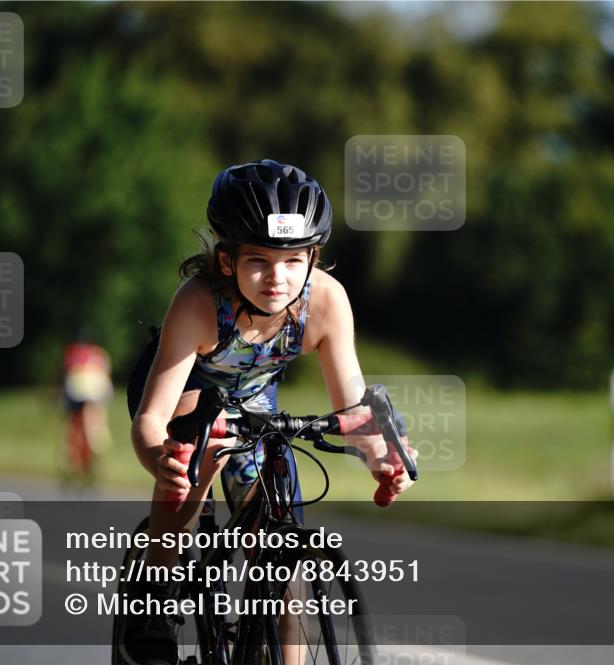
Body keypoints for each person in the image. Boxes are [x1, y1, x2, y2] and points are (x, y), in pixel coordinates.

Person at [122, 160, 416, 665]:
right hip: (186, 389)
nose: (276, 279)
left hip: (256, 400)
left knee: (282, 546)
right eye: (258, 260)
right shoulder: (197, 302)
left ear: (313, 258)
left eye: (293, 261)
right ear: (226, 259)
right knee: (203, 444)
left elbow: (351, 408)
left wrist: (381, 458)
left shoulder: (326, 301)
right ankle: (152, 603)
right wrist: (162, 462)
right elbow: (150, 420)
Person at [61, 338, 113, 485]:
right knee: (94, 426)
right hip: (95, 394)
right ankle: (96, 442)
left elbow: (64, 376)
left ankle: (74, 460)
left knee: (74, 430)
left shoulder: (72, 353)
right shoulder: (100, 354)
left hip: (76, 394)